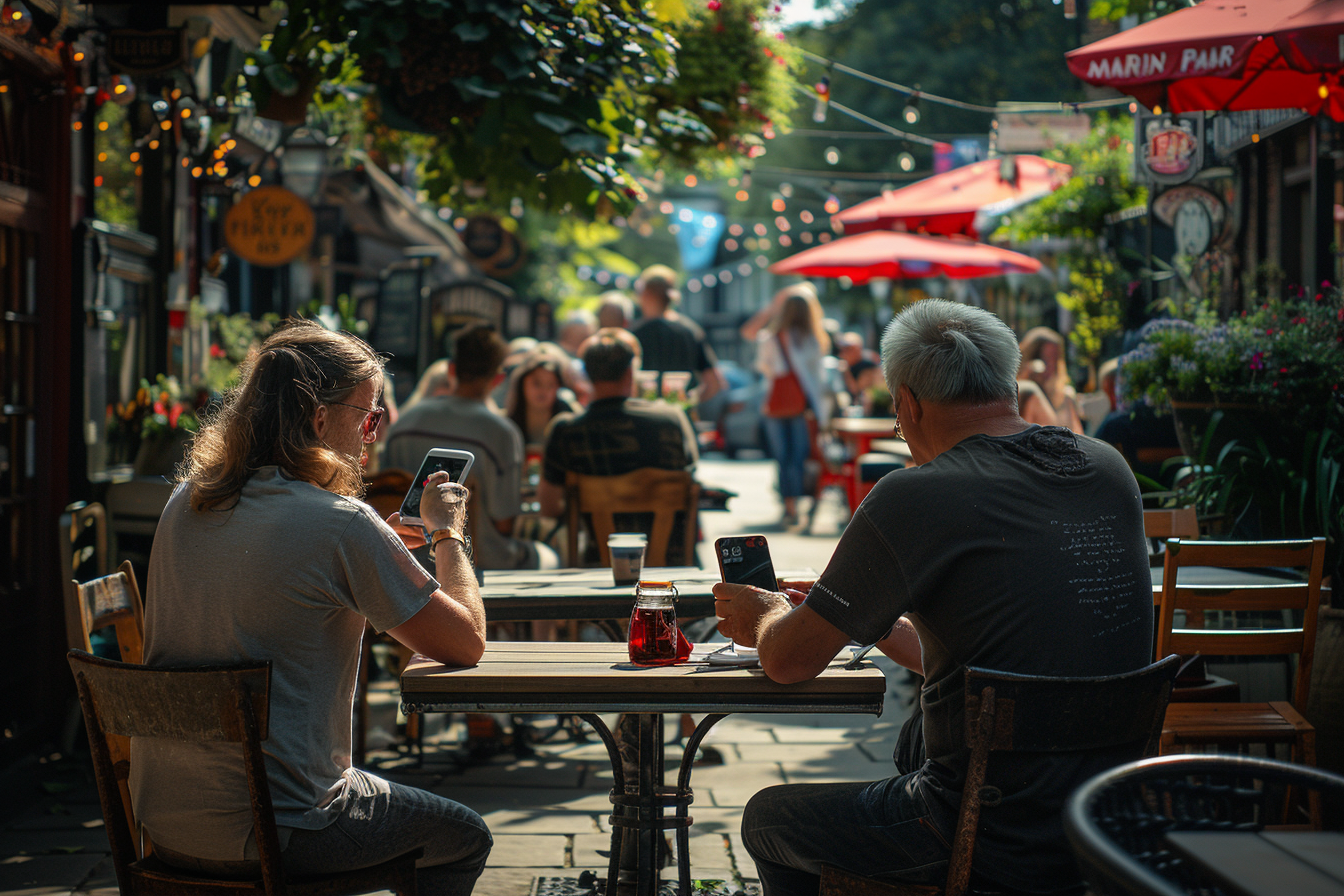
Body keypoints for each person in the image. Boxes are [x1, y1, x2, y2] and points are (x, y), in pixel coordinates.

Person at [714, 299, 1153, 896]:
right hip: (1110, 818)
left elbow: (787, 661)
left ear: (908, 404)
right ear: (1008, 384)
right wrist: (860, 617)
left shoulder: (914, 495)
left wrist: (769, 615)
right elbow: (1018, 658)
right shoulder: (1106, 468)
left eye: (897, 419)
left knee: (771, 817)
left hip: (983, 829)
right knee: (912, 741)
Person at [130, 320, 491, 895]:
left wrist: (382, 546)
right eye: (368, 415)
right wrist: (448, 536)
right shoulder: (340, 523)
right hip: (287, 826)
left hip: (166, 824)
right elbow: (466, 642)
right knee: (465, 836)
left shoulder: (187, 500)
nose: (373, 433)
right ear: (320, 419)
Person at [384, 323, 558, 570]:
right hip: (482, 561)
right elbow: (505, 525)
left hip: (409, 559)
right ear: (497, 379)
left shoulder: (406, 423)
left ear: (452, 369)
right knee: (550, 555)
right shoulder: (501, 433)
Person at [538, 328, 699, 559]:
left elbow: (549, 509)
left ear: (588, 375)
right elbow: (690, 482)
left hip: (597, 565)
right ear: (629, 374)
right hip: (669, 565)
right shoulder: (671, 421)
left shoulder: (566, 431)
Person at [754, 284, 830, 527]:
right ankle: (801, 505)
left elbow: (764, 369)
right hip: (801, 405)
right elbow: (818, 378)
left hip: (775, 404)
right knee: (799, 456)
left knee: (782, 457)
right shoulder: (813, 339)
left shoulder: (770, 337)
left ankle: (789, 507)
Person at [630, 264, 724, 404]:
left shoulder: (633, 335)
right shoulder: (690, 331)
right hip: (679, 419)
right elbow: (714, 383)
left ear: (645, 294)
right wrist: (688, 405)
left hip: (644, 418)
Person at [504, 348, 583, 451]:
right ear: (522, 384)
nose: (543, 390)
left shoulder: (571, 420)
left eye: (550, 385)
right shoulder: (507, 422)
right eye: (537, 383)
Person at [1016, 326, 1083, 433]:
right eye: (1045, 359)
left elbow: (1079, 437)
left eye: (1055, 359)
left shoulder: (1066, 397)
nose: (1050, 367)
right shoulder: (1021, 393)